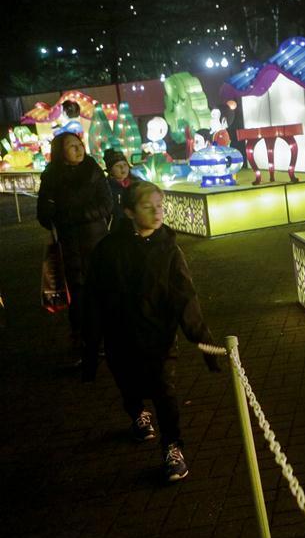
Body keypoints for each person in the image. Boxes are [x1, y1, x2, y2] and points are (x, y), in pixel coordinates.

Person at [82, 181, 220, 482]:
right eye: (148, 206)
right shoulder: (108, 249)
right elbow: (93, 297)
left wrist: (205, 343)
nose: (157, 212)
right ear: (129, 211)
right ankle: (136, 413)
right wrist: (90, 349)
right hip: (120, 337)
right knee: (129, 385)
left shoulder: (169, 249)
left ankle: (172, 446)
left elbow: (186, 298)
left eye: (160, 205)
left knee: (164, 392)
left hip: (159, 338)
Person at [37, 132, 113, 360]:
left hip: (97, 241)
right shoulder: (51, 177)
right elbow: (43, 214)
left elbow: (107, 205)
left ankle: (106, 340)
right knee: (78, 297)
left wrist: (75, 215)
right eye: (72, 146)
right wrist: (56, 215)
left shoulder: (93, 170)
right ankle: (82, 341)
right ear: (61, 152)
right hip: (70, 247)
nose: (78, 149)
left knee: (103, 291)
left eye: (79, 144)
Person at [104, 148, 139, 231]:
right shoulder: (106, 187)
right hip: (117, 227)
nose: (122, 168)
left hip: (136, 225)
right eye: (117, 166)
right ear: (110, 170)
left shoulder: (137, 183)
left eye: (125, 164)